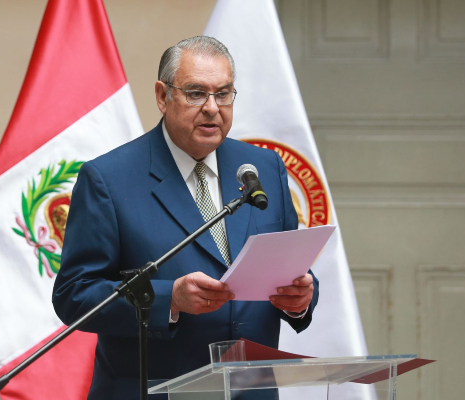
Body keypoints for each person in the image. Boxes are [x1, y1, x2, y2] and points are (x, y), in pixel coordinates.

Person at [52, 36, 319, 400]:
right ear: (163, 96)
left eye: (223, 94)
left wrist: (301, 298)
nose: (212, 108)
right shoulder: (108, 179)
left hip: (250, 391)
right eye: (196, 93)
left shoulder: (264, 168)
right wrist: (169, 299)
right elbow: (74, 295)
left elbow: (287, 264)